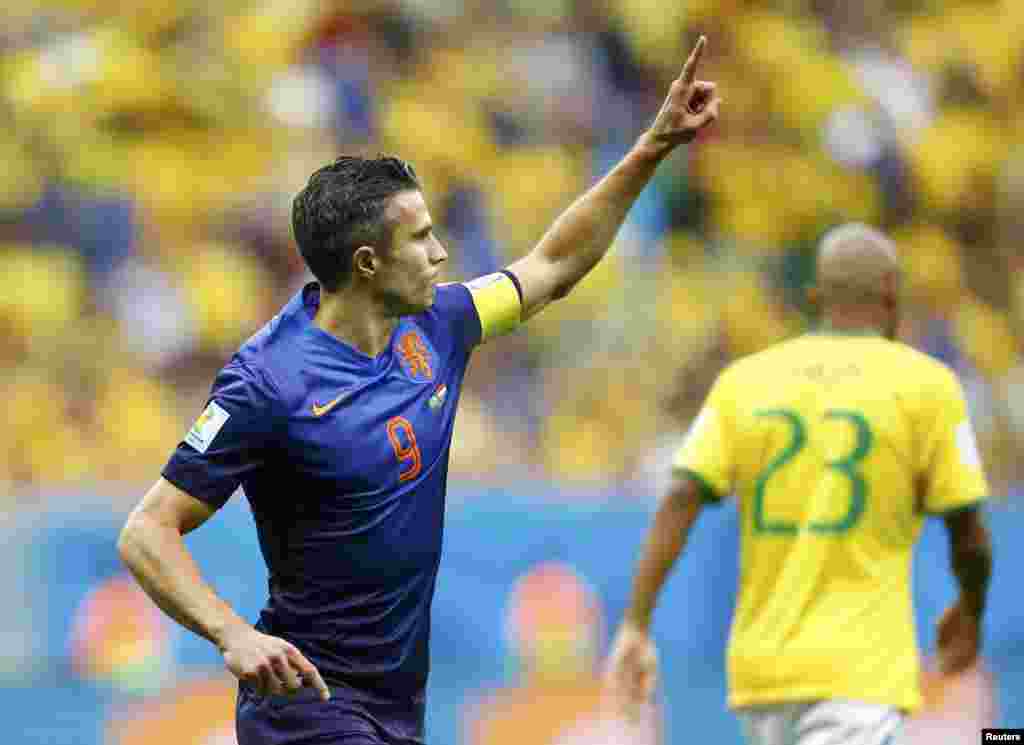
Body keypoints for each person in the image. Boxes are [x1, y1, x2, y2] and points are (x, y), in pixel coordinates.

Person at [117, 36, 722, 745]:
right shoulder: (266, 382)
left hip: (396, 707)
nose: (441, 253)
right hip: (307, 707)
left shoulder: (438, 325)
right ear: (369, 262)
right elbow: (146, 530)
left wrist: (652, 146)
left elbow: (554, 264)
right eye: (423, 238)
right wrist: (232, 634)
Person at [605, 223, 994, 745]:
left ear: (815, 296)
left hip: (763, 677)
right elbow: (967, 525)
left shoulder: (745, 381)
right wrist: (971, 608)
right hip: (860, 675)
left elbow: (680, 496)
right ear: (893, 298)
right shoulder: (927, 386)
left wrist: (636, 622)